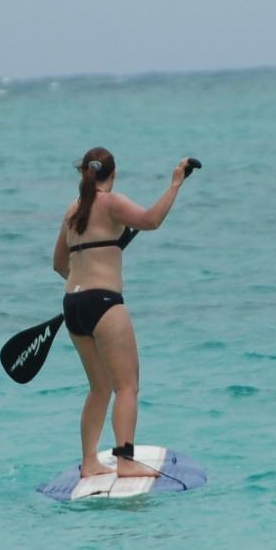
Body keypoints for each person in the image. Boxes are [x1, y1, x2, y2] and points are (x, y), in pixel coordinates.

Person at [52, 147, 192, 477]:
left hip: (72, 304)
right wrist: (175, 184)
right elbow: (150, 221)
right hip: (103, 304)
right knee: (127, 386)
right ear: (111, 175)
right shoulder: (111, 202)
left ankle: (89, 462)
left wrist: (83, 281)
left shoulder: (72, 210)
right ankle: (126, 462)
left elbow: (59, 264)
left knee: (98, 388)